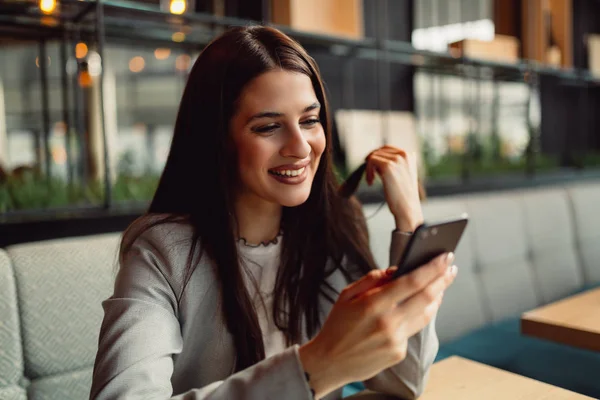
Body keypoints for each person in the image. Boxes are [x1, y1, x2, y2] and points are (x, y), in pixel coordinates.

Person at [90, 25, 457, 400]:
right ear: (218, 139)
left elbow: (404, 382)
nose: (300, 147)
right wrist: (316, 365)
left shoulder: (330, 230)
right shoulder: (162, 253)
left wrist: (410, 222)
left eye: (310, 120)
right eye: (268, 126)